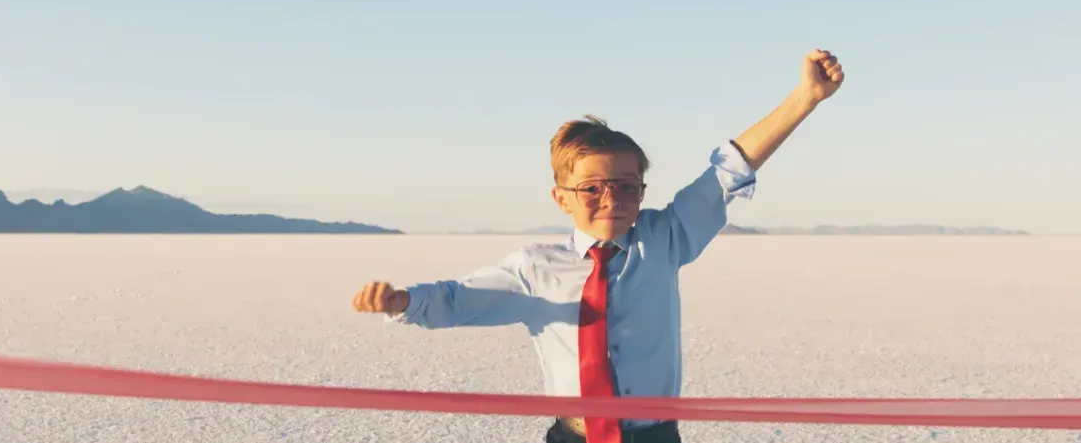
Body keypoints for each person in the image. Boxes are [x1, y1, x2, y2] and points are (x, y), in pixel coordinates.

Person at [351, 49, 845, 443]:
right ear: (561, 199)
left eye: (628, 185)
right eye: (592, 188)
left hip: (654, 438)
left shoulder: (665, 240)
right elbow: (457, 300)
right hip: (572, 437)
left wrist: (805, 98)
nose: (613, 198)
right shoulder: (535, 269)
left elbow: (729, 170)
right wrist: (402, 302)